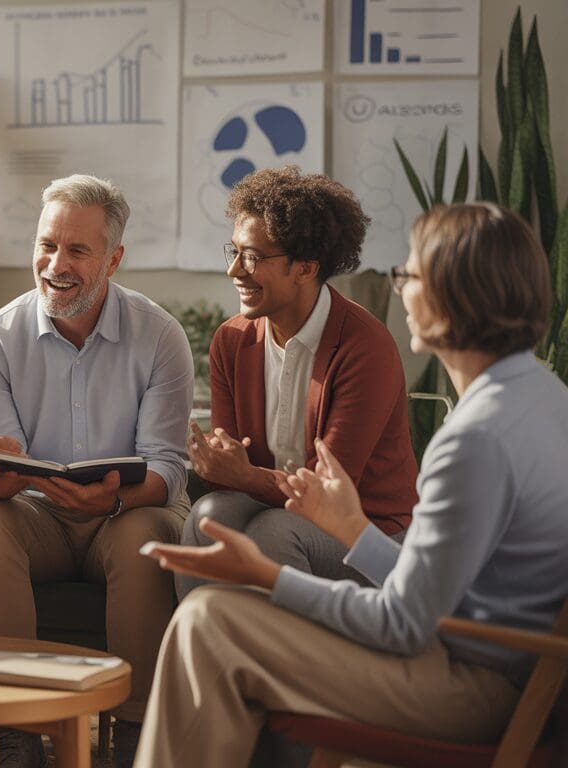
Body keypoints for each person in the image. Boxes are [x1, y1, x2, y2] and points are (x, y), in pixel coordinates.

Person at [136, 202, 568, 767]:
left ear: (453, 296)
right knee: (216, 597)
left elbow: (404, 622)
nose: (399, 287)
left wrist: (265, 575)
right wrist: (353, 530)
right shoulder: (542, 395)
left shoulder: (474, 439)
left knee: (208, 622)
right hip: (490, 660)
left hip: (474, 685)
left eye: (409, 275)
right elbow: (434, 591)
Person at [0, 174, 194, 767]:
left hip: (131, 511)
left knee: (143, 540)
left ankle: (137, 738)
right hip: (38, 512)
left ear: (113, 259)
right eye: (46, 245)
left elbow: (169, 466)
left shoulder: (160, 335)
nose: (54, 264)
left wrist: (113, 501)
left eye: (77, 250)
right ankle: (20, 731)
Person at [177, 166, 417, 599]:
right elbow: (230, 474)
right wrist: (217, 463)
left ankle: (286, 665)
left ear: (305, 269)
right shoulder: (231, 341)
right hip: (277, 507)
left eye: (252, 256)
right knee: (208, 516)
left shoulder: (365, 348)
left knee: (276, 532)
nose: (234, 270)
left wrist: (245, 476)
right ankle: (209, 654)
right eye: (232, 251)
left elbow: (326, 494)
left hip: (371, 534)